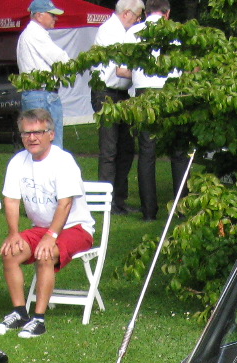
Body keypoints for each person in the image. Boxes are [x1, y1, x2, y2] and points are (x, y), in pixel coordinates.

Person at [0, 108, 94, 339]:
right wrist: (14, 234)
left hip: (75, 226)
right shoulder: (17, 162)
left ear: (51, 134)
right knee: (11, 253)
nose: (32, 138)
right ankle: (20, 312)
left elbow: (65, 204)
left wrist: (50, 237)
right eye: (26, 133)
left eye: (38, 132)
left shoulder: (63, 161)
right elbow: (11, 200)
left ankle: (39, 319)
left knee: (45, 254)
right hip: (41, 227)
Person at [129, 0, 190, 220]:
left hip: (144, 93)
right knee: (179, 152)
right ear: (167, 13)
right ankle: (182, 208)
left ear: (146, 12)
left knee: (147, 152)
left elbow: (125, 67)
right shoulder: (177, 32)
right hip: (171, 91)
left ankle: (148, 212)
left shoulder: (134, 31)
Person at [91, 0, 144, 214]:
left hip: (121, 93)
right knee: (110, 149)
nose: (139, 20)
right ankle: (106, 202)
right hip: (106, 93)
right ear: (127, 14)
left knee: (126, 148)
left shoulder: (121, 31)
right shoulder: (110, 31)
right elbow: (121, 70)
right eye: (138, 16)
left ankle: (118, 201)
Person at [17, 0, 71, 148]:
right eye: (52, 14)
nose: (55, 18)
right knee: (50, 145)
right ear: (39, 15)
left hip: (35, 94)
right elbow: (61, 60)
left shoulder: (29, 34)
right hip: (42, 95)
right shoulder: (36, 34)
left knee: (36, 144)